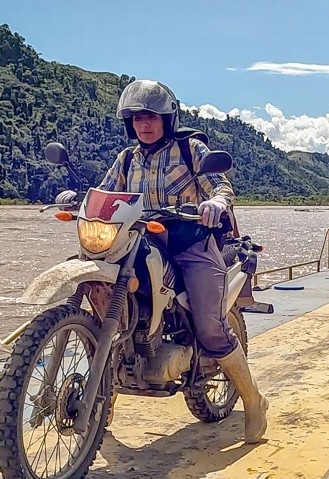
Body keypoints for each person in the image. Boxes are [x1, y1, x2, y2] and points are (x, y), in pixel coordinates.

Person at [54, 80, 269, 444]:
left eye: (151, 117)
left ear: (167, 119)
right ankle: (104, 401)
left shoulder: (190, 149)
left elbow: (222, 186)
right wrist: (78, 198)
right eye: (137, 118)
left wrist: (216, 203)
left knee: (210, 325)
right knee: (110, 307)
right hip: (138, 240)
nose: (144, 124)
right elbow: (107, 193)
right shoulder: (126, 159)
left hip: (190, 243)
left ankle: (253, 401)